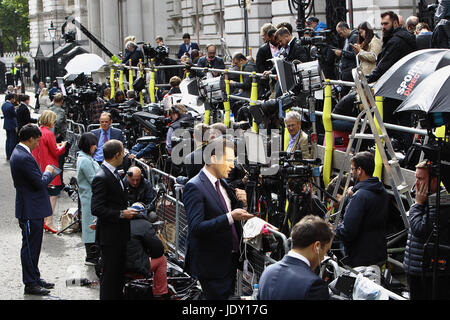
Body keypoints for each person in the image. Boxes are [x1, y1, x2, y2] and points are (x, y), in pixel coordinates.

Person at [183, 136, 253, 299]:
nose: (232, 164)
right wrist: (230, 216)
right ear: (213, 158)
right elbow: (196, 228)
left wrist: (241, 203)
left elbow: (228, 210)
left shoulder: (223, 183)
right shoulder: (194, 187)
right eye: (228, 159)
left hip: (229, 262)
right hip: (212, 266)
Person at [10, 124, 56, 295]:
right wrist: (49, 172)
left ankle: (34, 277)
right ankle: (30, 282)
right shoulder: (23, 157)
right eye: (37, 140)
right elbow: (39, 183)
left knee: (34, 246)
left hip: (32, 207)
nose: (38, 143)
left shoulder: (22, 153)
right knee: (30, 247)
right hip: (30, 209)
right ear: (30, 139)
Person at [91, 139, 139, 300]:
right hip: (110, 236)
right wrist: (121, 214)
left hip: (118, 233)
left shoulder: (112, 172)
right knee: (110, 276)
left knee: (117, 274)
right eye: (123, 151)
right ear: (117, 154)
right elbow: (96, 208)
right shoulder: (102, 176)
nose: (125, 154)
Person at [403, 160, 450, 300]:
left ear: (434, 181)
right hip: (414, 268)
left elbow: (419, 229)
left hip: (427, 272)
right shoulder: (424, 198)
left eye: (421, 179)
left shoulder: (440, 202)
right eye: (416, 178)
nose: (417, 183)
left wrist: (417, 204)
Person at [258, 215, 334, 300]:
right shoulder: (314, 285)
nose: (323, 257)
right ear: (317, 246)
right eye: (325, 251)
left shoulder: (268, 272)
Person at [335, 151, 389, 268]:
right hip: (378, 254)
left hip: (360, 259)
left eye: (353, 169)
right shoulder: (382, 191)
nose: (351, 172)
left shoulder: (360, 196)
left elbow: (347, 231)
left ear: (360, 170)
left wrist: (334, 227)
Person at [32, 110, 67, 233]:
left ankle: (44, 221)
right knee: (53, 195)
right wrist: (63, 146)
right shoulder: (48, 133)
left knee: (43, 195)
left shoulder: (37, 132)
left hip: (38, 166)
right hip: (50, 167)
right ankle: (49, 221)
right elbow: (56, 152)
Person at [125, 203, 168, 297]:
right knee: (162, 260)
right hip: (135, 268)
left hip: (114, 266)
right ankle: (159, 293)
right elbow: (158, 251)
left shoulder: (119, 222)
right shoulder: (145, 225)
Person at [366, 11, 417, 84]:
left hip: (395, 82)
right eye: (382, 24)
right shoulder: (402, 37)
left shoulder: (395, 41)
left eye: (386, 24)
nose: (383, 27)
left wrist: (367, 79)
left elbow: (384, 65)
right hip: (404, 81)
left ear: (395, 23)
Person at [76, 132, 101, 265]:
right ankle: (91, 256)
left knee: (91, 226)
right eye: (94, 144)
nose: (96, 147)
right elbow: (94, 180)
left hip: (90, 197)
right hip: (90, 198)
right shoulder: (85, 160)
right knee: (90, 227)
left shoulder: (86, 158)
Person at [334, 21, 359, 89]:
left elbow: (355, 54)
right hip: (346, 70)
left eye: (340, 33)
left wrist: (342, 53)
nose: (340, 36)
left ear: (345, 29)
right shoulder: (348, 38)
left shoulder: (354, 37)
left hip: (350, 70)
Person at [2, 93, 18, 160]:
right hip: (12, 124)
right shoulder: (11, 106)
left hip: (6, 123)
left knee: (7, 139)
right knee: (12, 140)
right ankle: (11, 153)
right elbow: (15, 114)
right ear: (11, 99)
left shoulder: (4, 105)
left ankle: (8, 154)